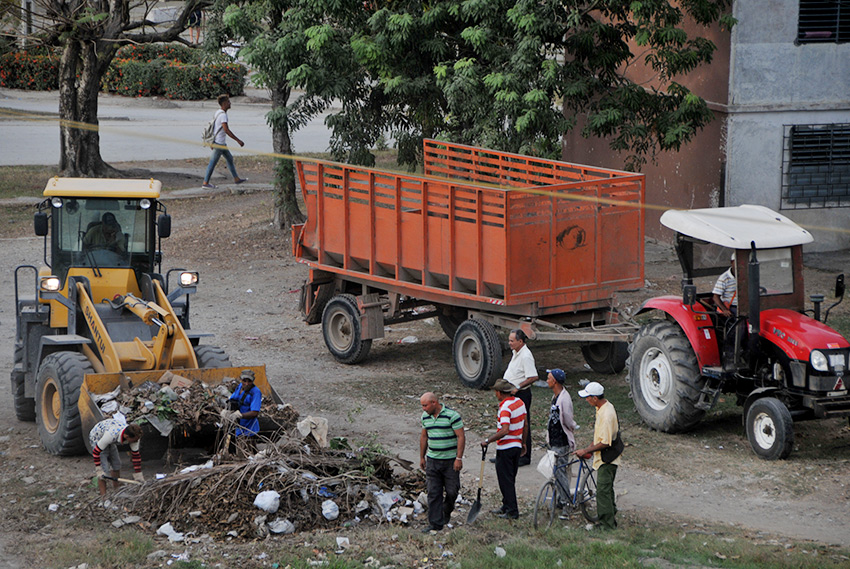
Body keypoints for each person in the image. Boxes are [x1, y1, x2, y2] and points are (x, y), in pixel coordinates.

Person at [575, 381, 620, 530]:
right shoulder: (603, 407)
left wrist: (586, 451)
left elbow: (605, 442)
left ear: (594, 398)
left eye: (588, 397)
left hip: (607, 458)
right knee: (607, 489)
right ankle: (611, 516)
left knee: (602, 491)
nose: (586, 400)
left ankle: (606, 525)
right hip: (606, 455)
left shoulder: (606, 415)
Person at [481, 379, 527, 519]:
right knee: (510, 478)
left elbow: (505, 430)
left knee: (505, 480)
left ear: (499, 393)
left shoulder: (505, 408)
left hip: (505, 447)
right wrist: (523, 443)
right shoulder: (519, 402)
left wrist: (488, 440)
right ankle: (506, 505)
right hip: (516, 446)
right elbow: (525, 424)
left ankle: (512, 511)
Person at [419, 392, 465, 533]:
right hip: (433, 460)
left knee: (452, 491)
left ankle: (446, 510)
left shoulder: (452, 416)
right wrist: (422, 457)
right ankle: (435, 523)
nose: (423, 409)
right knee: (433, 492)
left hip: (450, 461)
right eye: (422, 406)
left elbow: (461, 436)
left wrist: (458, 458)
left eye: (425, 405)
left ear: (434, 403)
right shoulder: (425, 417)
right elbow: (424, 437)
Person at [501, 329, 537, 466]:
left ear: (520, 341)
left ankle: (525, 455)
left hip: (521, 394)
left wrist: (519, 387)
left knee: (523, 423)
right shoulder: (516, 352)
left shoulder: (526, 356)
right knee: (510, 422)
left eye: (512, 341)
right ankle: (509, 453)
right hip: (511, 393)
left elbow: (533, 376)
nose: (509, 343)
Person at [545, 368, 579, 504]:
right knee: (557, 472)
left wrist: (573, 426)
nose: (547, 380)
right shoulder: (555, 397)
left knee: (560, 473)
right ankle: (561, 498)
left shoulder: (564, 399)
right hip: (554, 440)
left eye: (548, 378)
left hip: (562, 442)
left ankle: (566, 502)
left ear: (555, 382)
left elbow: (568, 420)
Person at [202, 94, 248, 189]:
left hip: (220, 143)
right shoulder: (223, 115)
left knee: (229, 159)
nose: (230, 103)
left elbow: (215, 128)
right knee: (213, 163)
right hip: (219, 144)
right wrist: (238, 140)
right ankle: (205, 183)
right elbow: (226, 130)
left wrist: (212, 142)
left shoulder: (218, 112)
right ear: (224, 104)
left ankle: (236, 179)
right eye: (228, 102)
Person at [90, 419, 143, 496]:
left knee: (116, 464)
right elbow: (96, 452)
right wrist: (98, 469)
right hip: (97, 437)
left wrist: (138, 474)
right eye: (134, 440)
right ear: (126, 437)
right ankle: (104, 498)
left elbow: (136, 455)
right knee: (104, 472)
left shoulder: (135, 437)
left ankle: (117, 492)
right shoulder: (111, 435)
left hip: (109, 437)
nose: (136, 442)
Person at [221, 369, 262, 454]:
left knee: (246, 450)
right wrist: (226, 410)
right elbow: (232, 399)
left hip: (248, 427)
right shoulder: (240, 386)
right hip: (237, 425)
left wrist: (240, 415)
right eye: (244, 381)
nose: (246, 384)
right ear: (241, 379)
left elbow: (255, 412)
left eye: (249, 381)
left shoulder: (256, 392)